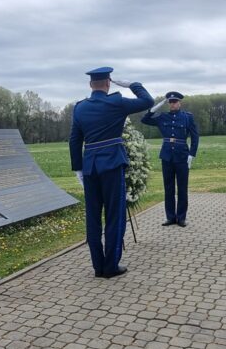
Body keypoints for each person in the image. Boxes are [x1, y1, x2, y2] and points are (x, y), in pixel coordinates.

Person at [69, 67, 153, 278]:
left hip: (90, 167)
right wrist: (133, 84)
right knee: (115, 215)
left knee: (93, 218)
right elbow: (148, 101)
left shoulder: (79, 108)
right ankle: (111, 266)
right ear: (108, 83)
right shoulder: (116, 102)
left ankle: (98, 266)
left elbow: (75, 140)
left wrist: (78, 167)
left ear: (90, 85)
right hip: (112, 165)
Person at [141, 91, 199, 227]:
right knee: (168, 188)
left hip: (182, 156)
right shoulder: (162, 117)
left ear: (180, 103)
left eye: (175, 101)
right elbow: (144, 119)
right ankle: (170, 217)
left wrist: (192, 154)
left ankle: (181, 217)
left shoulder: (187, 117)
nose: (173, 104)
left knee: (182, 188)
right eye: (170, 102)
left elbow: (195, 136)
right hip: (167, 155)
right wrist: (158, 105)